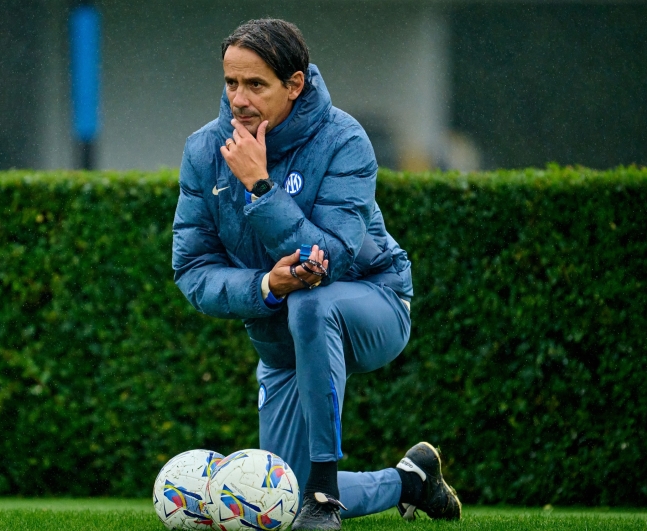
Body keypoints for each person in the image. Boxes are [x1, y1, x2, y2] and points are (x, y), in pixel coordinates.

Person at [171, 19, 461, 529]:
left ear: (295, 84)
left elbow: (334, 257)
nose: (239, 98)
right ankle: (410, 481)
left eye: (255, 84)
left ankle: (325, 493)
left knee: (311, 299)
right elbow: (192, 269)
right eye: (230, 83)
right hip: (280, 336)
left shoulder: (344, 138)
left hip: (374, 300)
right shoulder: (203, 152)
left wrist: (261, 188)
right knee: (278, 494)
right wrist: (264, 287)